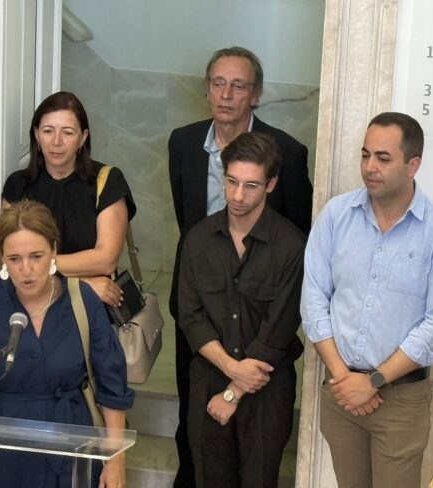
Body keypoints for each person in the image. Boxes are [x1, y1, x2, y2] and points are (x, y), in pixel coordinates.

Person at [168, 45, 312, 487]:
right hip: (206, 316)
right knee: (198, 431)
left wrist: (236, 384)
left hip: (261, 326)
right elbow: (187, 219)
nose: (226, 94)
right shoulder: (183, 144)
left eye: (238, 85)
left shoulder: (287, 154)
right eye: (218, 83)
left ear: (256, 94)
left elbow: (296, 240)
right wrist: (227, 370)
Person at [301, 112, 433, 488]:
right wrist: (344, 378)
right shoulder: (336, 216)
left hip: (401, 400)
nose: (369, 167)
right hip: (341, 392)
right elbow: (314, 298)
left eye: (383, 158)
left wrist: (374, 380)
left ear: (413, 165)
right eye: (365, 155)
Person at [0, 200, 134, 488]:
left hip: (72, 447)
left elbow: (112, 386)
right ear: (2, 258)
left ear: (54, 250)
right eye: (14, 259)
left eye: (36, 256)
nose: (26, 269)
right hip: (0, 453)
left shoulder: (83, 300)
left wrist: (115, 460)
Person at [2, 91, 136, 308]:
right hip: (32, 304)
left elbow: (106, 260)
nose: (56, 142)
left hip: (90, 308)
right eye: (48, 131)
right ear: (36, 135)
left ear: (83, 138)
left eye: (67, 132)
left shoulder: (107, 181)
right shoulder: (17, 185)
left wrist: (34, 263)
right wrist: (80, 284)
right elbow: (8, 260)